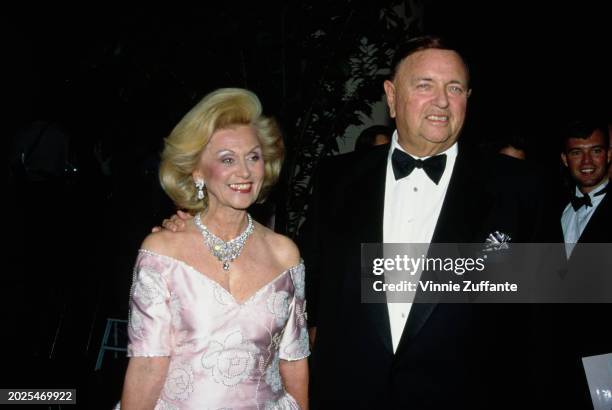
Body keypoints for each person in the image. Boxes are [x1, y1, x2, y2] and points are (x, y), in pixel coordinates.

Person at [297, 36, 547, 408]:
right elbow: (307, 289)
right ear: (392, 96)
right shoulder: (337, 179)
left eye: (455, 88)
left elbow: (542, 324)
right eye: (425, 85)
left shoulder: (519, 188)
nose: (442, 101)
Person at [119, 88, 309, 409]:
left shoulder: (285, 254)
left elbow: (293, 360)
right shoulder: (163, 252)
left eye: (254, 156)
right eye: (227, 159)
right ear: (197, 170)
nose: (245, 172)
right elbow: (148, 364)